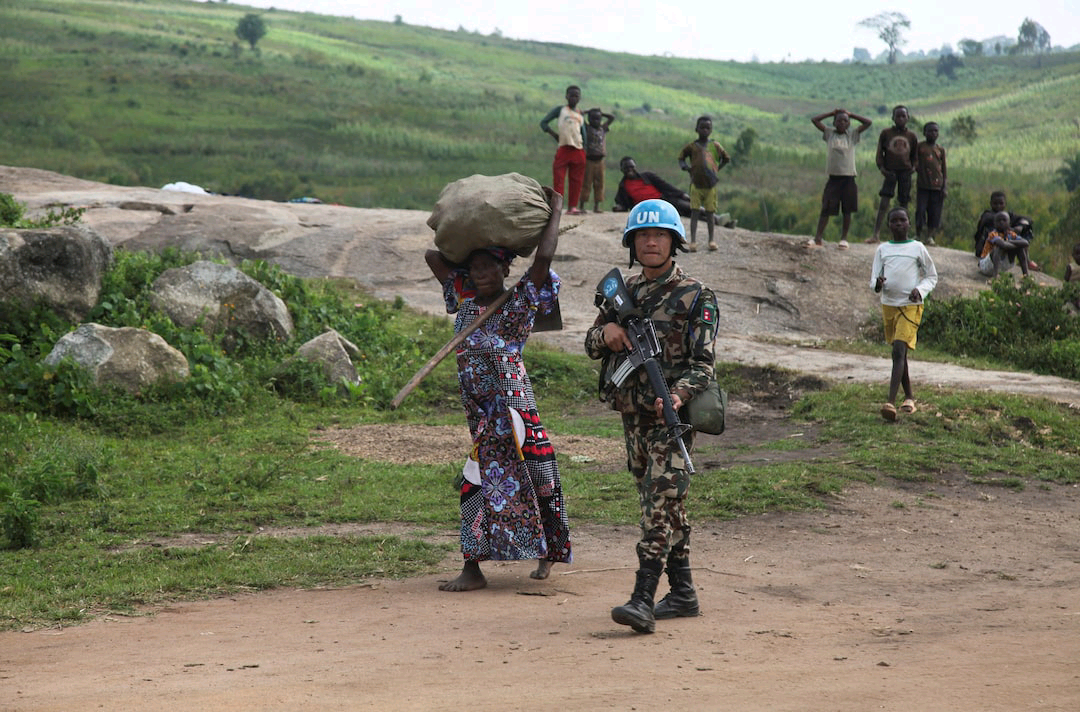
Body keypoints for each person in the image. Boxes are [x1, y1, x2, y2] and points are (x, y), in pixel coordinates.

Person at [424, 189, 572, 592]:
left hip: (514, 410)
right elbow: (432, 257)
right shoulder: (465, 300)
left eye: (490, 268)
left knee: (537, 475)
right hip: (481, 416)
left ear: (505, 269)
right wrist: (468, 246)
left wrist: (556, 209)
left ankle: (547, 553)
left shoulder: (519, 301)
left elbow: (542, 259)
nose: (482, 275)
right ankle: (473, 568)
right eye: (475, 269)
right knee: (475, 482)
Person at [584, 199, 719, 634]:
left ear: (674, 241)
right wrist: (608, 333)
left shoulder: (697, 295)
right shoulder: (626, 293)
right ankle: (682, 594)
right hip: (633, 418)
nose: (652, 242)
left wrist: (678, 395)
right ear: (632, 244)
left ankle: (642, 598)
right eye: (643, 236)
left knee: (658, 505)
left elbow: (703, 365)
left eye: (659, 235)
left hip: (670, 419)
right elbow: (590, 343)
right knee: (664, 503)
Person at [870, 206, 938, 422]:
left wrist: (921, 290)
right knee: (900, 353)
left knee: (898, 351)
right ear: (888, 225)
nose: (899, 224)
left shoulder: (917, 247)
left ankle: (890, 402)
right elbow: (873, 279)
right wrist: (878, 284)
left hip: (910, 306)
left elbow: (931, 276)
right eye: (894, 221)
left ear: (909, 223)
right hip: (889, 305)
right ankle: (909, 398)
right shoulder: (882, 249)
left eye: (903, 220)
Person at [809, 107, 873, 249]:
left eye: (845, 121)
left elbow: (868, 123)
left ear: (849, 123)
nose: (842, 123)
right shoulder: (829, 134)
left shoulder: (852, 136)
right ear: (834, 122)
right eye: (839, 120)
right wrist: (831, 112)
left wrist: (852, 114)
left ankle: (844, 239)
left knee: (847, 210)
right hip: (833, 178)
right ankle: (818, 237)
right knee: (826, 208)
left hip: (849, 178)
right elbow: (815, 120)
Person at [678, 116, 730, 252]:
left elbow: (726, 158)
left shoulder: (715, 146)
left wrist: (716, 169)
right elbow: (681, 157)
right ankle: (693, 241)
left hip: (710, 185)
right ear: (696, 129)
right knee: (694, 212)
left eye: (708, 128)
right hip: (696, 184)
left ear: (711, 130)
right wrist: (686, 167)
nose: (705, 130)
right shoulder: (692, 146)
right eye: (702, 127)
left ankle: (711, 240)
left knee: (710, 213)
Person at [867, 105, 918, 244]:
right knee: (884, 202)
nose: (900, 119)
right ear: (893, 118)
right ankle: (876, 234)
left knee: (904, 203)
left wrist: (913, 168)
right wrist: (882, 168)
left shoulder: (912, 136)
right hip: (890, 172)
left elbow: (915, 156)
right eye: (897, 116)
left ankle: (904, 236)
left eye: (903, 116)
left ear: (908, 118)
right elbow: (879, 153)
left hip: (906, 173)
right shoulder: (886, 133)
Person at [540, 85, 587, 215]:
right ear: (566, 96)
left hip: (578, 149)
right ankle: (557, 207)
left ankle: (573, 207)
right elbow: (544, 123)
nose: (574, 98)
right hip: (564, 148)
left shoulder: (579, 114)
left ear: (580, 98)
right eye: (571, 95)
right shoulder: (560, 110)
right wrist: (554, 135)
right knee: (559, 179)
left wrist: (585, 149)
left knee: (576, 180)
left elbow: (583, 133)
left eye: (576, 95)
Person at [973, 191, 1038, 271]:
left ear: (1005, 204)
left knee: (1026, 229)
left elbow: (1028, 220)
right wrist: (1015, 241)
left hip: (1005, 243)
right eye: (995, 204)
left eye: (1001, 203)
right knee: (1001, 233)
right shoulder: (987, 216)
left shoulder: (1007, 215)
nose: (998, 206)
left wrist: (1020, 227)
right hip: (987, 249)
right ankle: (996, 275)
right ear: (991, 204)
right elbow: (1001, 225)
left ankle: (1026, 261)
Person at [914, 121, 947, 246]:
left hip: (937, 187)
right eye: (930, 131)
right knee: (920, 210)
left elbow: (944, 169)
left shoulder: (940, 149)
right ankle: (918, 234)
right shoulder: (920, 147)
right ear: (924, 133)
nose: (933, 133)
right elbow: (915, 162)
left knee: (935, 212)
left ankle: (929, 236)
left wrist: (944, 187)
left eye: (935, 131)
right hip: (923, 185)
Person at [580, 108, 615, 213]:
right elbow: (580, 116)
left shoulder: (602, 129)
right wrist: (587, 112)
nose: (596, 121)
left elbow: (612, 118)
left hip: (600, 161)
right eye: (593, 118)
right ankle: (582, 205)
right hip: (589, 160)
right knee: (586, 183)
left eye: (598, 118)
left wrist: (601, 113)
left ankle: (597, 206)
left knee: (599, 183)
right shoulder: (586, 128)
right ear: (589, 119)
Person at [977, 211, 1031, 278]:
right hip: (987, 265)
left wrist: (1010, 242)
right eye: (998, 221)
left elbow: (1025, 243)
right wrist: (1015, 243)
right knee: (998, 248)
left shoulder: (1010, 234)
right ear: (995, 223)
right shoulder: (993, 234)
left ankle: (1026, 276)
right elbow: (1002, 245)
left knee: (1020, 248)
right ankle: (995, 277)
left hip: (1002, 264)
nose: (1001, 222)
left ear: (1009, 223)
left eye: (1004, 220)